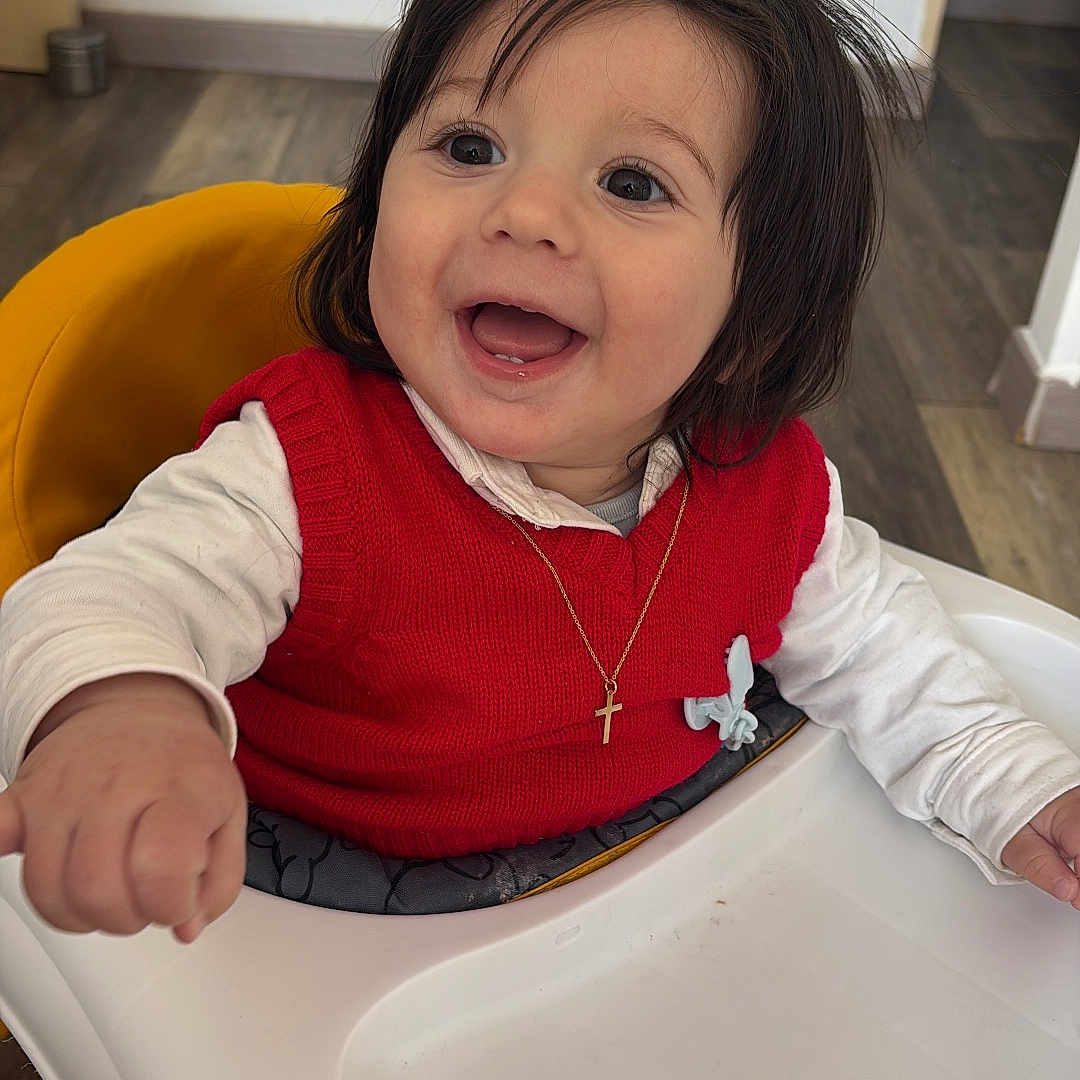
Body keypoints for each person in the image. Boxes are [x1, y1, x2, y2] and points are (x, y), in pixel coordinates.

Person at [1, 0, 1079, 946]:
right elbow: (115, 591)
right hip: (345, 901)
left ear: (758, 308)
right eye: (470, 145)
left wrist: (1019, 786)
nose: (523, 212)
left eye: (631, 181)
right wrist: (126, 709)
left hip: (655, 878)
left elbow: (886, 650)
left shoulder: (770, 486)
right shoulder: (301, 468)